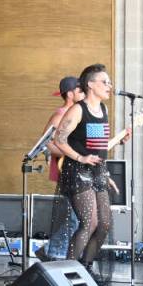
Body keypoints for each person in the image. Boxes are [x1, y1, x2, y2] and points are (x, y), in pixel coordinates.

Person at [52, 64, 128, 281]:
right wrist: (80, 157)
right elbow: (59, 139)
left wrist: (106, 170)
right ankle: (66, 273)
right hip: (77, 171)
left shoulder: (103, 110)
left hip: (97, 171)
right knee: (89, 222)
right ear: (90, 85)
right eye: (105, 81)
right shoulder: (78, 109)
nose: (109, 86)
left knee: (104, 223)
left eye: (109, 82)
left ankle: (85, 267)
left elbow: (97, 145)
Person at [35, 76, 84, 261]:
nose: (83, 94)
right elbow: (46, 142)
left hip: (79, 170)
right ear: (70, 94)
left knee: (78, 217)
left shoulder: (78, 113)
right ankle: (53, 251)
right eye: (80, 91)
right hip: (68, 170)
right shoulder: (60, 114)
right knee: (76, 217)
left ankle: (54, 251)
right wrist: (67, 154)